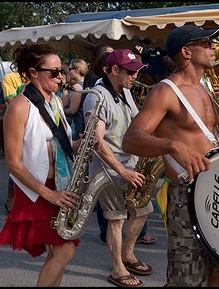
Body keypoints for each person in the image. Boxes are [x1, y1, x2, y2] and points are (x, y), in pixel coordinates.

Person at [122, 25, 219, 287]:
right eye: (206, 43)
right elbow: (130, 139)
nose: (213, 47)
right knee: (185, 279)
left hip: (217, 185)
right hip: (186, 190)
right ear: (186, 52)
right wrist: (173, 145)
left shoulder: (206, 86)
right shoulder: (166, 91)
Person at [0, 43, 80, 286]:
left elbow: (59, 144)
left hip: (59, 186)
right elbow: (13, 164)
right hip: (38, 191)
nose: (60, 77)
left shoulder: (55, 102)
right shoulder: (19, 107)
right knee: (65, 252)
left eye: (61, 71)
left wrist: (80, 145)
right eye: (53, 72)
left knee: (58, 254)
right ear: (34, 73)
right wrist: (50, 195)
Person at [83, 48, 153, 287]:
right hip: (109, 171)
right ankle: (117, 269)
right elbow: (97, 142)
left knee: (143, 210)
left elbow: (136, 123)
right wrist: (123, 171)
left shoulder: (125, 91)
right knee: (117, 219)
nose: (135, 77)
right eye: (130, 72)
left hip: (130, 164)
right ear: (114, 70)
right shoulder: (97, 96)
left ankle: (128, 254)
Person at [82, 44, 114, 246]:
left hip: (116, 158)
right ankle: (105, 235)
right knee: (106, 203)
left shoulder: (120, 89)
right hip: (104, 160)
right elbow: (96, 139)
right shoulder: (97, 91)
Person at [1, 62, 28, 214]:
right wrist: (29, 85)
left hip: (35, 124)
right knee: (16, 162)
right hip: (17, 126)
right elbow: (12, 103)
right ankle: (11, 198)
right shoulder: (10, 78)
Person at [64, 59, 89, 141]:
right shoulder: (86, 83)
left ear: (77, 69)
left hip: (78, 128)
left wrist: (60, 113)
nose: (68, 72)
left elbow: (72, 111)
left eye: (70, 69)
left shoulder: (77, 87)